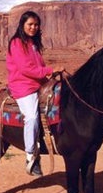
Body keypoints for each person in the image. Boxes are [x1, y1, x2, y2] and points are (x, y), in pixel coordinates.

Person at [6, 11, 62, 176]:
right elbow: (26, 69)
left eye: (36, 25)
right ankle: (31, 155)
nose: (33, 27)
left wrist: (49, 74)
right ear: (22, 25)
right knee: (31, 116)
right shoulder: (17, 43)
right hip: (23, 86)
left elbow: (38, 67)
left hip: (38, 83)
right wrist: (50, 69)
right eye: (30, 24)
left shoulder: (33, 44)